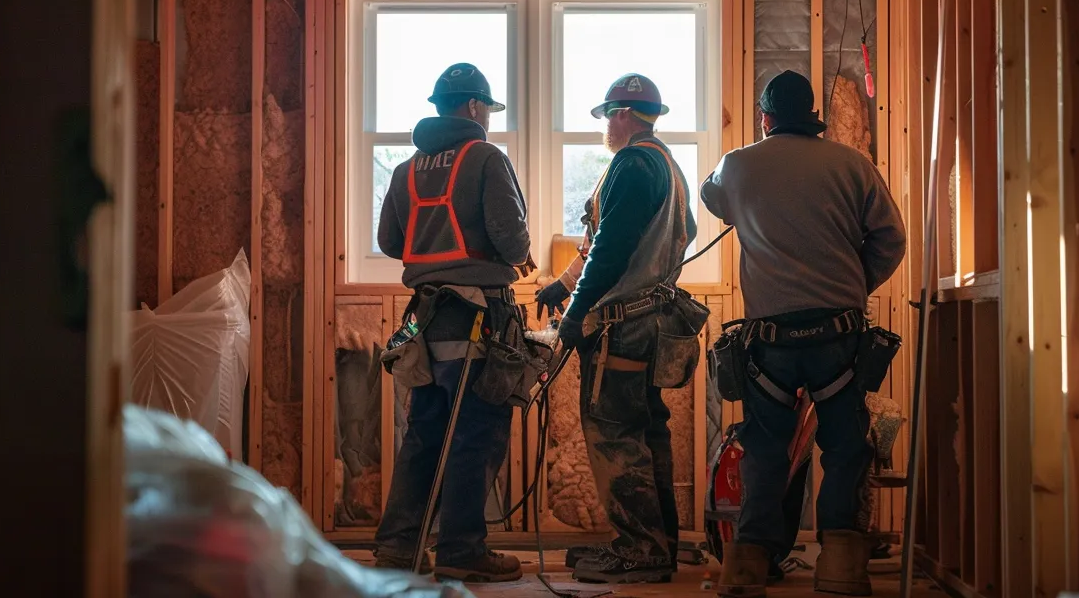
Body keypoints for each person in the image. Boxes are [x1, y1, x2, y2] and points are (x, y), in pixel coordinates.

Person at [699, 70, 906, 597]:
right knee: (844, 447)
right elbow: (890, 238)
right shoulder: (852, 165)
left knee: (766, 449)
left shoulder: (738, 165)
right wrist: (856, 283)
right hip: (839, 335)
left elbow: (711, 197)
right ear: (813, 115)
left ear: (765, 117)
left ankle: (746, 566)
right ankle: (840, 566)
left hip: (769, 342)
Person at [370, 63, 531, 583]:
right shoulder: (486, 157)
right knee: (475, 433)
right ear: (475, 108)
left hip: (425, 321)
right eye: (486, 108)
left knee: (424, 431)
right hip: (476, 318)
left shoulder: (406, 170)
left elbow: (393, 244)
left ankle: (399, 545)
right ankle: (462, 550)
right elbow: (515, 243)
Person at [536, 74, 698, 584]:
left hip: (623, 326)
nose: (606, 125)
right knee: (648, 431)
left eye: (609, 114)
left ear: (625, 114)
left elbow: (611, 249)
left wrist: (577, 313)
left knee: (614, 433)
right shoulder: (669, 167)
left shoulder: (630, 163)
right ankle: (659, 544)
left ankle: (638, 550)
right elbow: (611, 238)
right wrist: (562, 286)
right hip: (653, 322)